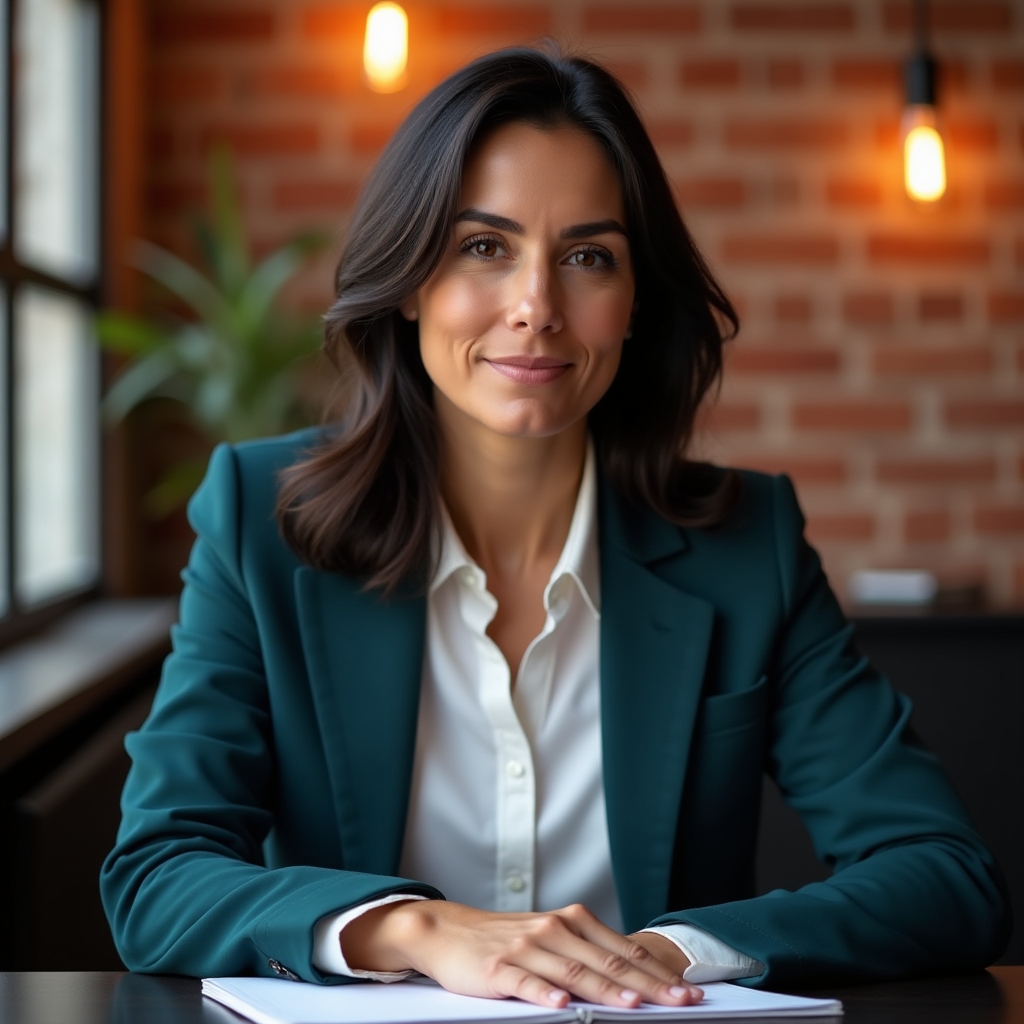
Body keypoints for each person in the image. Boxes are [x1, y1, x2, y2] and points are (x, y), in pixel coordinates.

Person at [101, 46, 1010, 1003]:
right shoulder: (262, 518)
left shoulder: (748, 546)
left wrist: (668, 955)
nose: (536, 308)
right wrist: (412, 928)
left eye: (588, 257)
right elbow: (157, 876)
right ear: (412, 280)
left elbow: (943, 874)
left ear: (633, 304)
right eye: (483, 246)